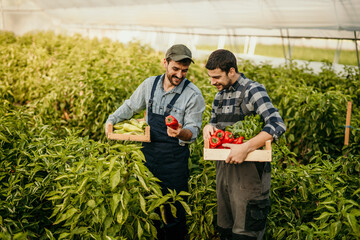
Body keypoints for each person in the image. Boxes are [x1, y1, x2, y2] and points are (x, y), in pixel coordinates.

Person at [105, 44, 205, 240]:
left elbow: (194, 130)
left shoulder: (193, 95)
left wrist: (180, 132)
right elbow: (130, 106)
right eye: (175, 69)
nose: (180, 75)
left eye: (184, 71)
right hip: (148, 159)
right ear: (165, 63)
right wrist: (111, 120)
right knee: (150, 209)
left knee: (174, 214)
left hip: (174, 162)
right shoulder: (149, 85)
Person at [203, 49, 286, 240]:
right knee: (226, 229)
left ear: (231, 71)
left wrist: (246, 147)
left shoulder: (252, 90)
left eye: (216, 77)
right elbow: (214, 122)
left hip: (249, 173)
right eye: (210, 77)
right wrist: (209, 127)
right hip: (224, 172)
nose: (212, 82)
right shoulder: (219, 95)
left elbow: (277, 124)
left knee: (246, 232)